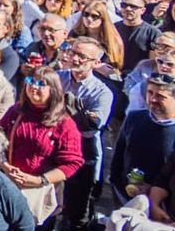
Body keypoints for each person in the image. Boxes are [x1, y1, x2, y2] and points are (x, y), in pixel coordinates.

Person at [0, 66, 83, 225]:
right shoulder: (16, 111)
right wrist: (4, 165)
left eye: (41, 84)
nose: (33, 87)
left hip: (38, 191)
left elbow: (72, 163)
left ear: (53, 90)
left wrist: (39, 180)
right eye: (30, 81)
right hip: (8, 183)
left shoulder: (64, 124)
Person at [58, 39, 113, 231]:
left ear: (95, 63)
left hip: (83, 150)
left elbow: (93, 125)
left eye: (82, 56)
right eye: (73, 53)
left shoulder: (102, 92)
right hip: (55, 145)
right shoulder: (58, 78)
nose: (75, 59)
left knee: (78, 208)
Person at [109, 72, 175, 206]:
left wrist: (154, 192)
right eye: (150, 93)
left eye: (160, 96)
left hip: (163, 207)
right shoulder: (135, 118)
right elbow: (117, 161)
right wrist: (119, 191)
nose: (153, 99)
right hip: (126, 197)